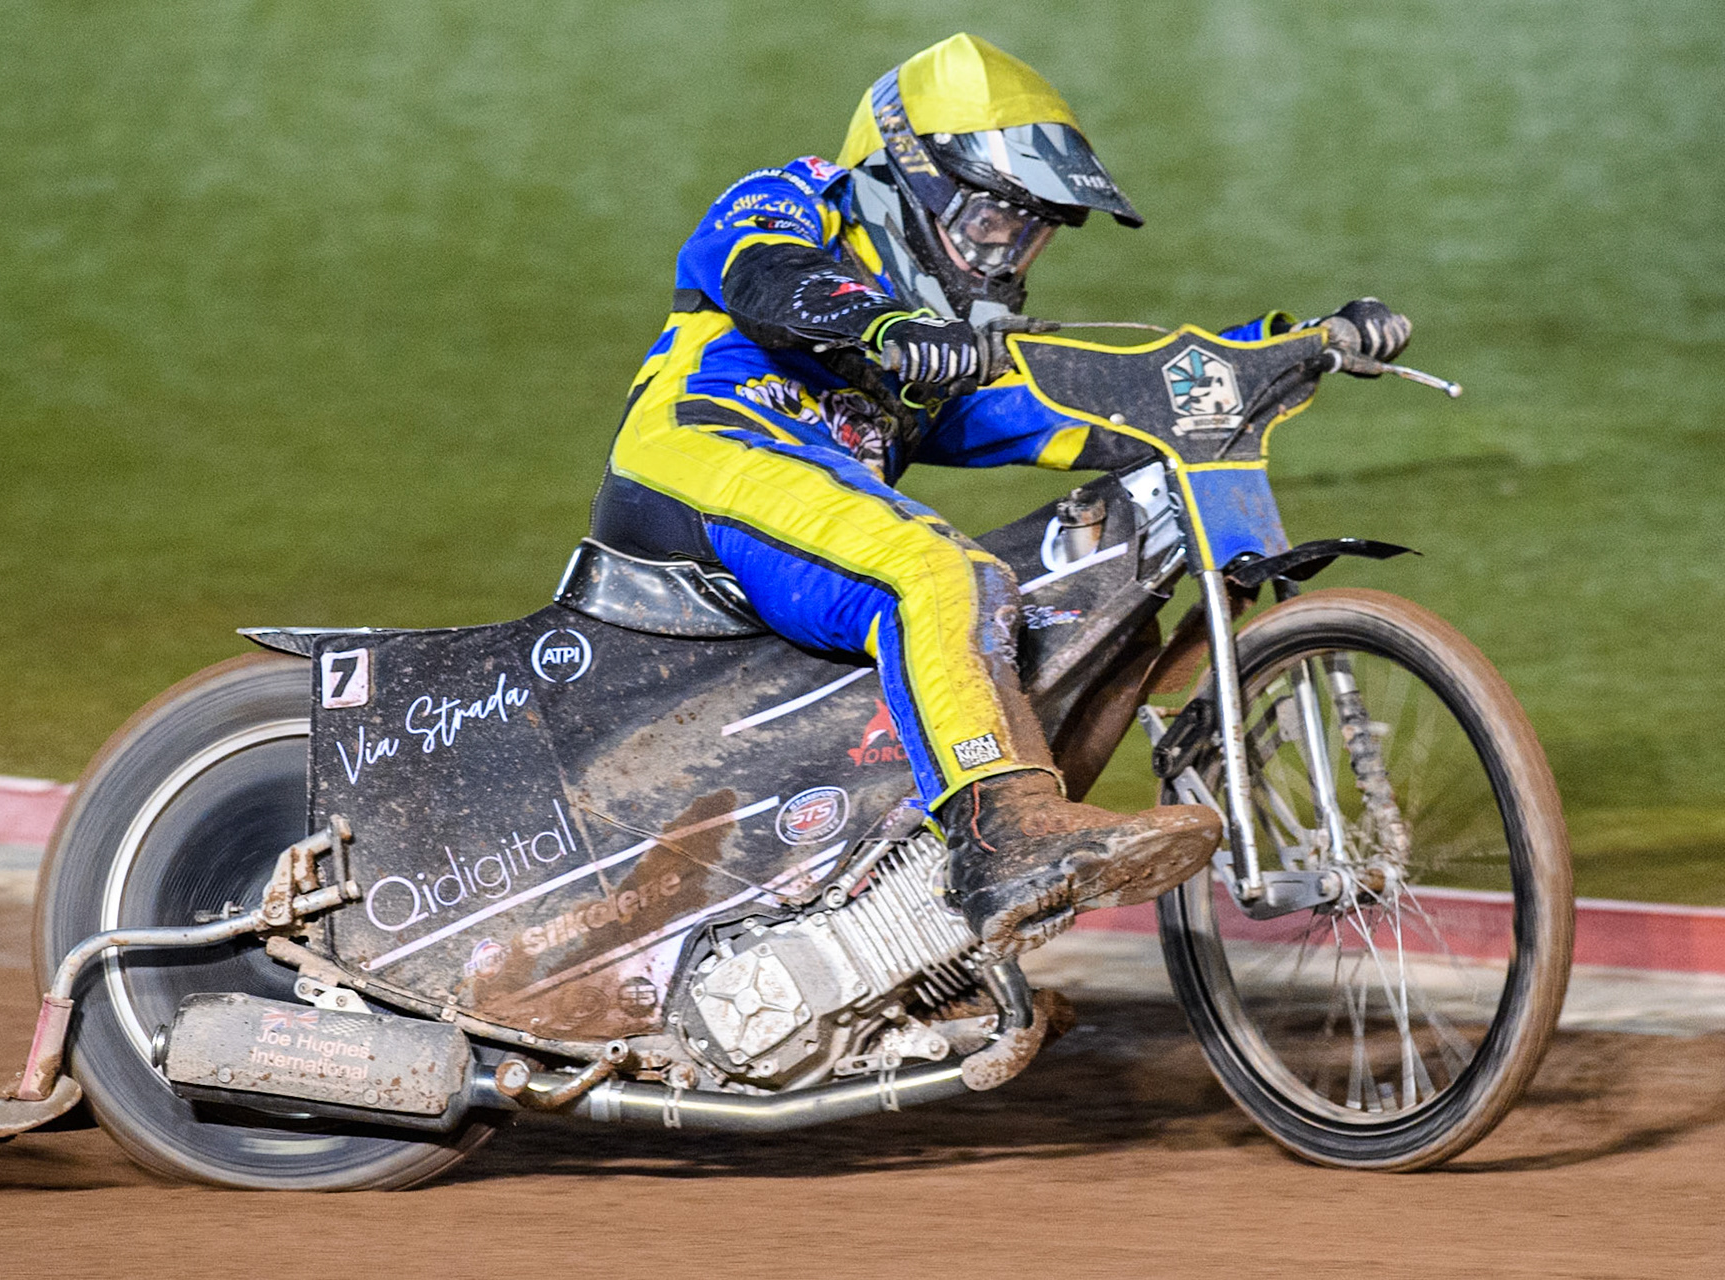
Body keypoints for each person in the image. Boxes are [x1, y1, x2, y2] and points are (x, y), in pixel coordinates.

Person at [587, 33, 1412, 954]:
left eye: (1032, 231)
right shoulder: (798, 195)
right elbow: (762, 275)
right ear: (911, 181)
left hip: (795, 519)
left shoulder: (938, 359)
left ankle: (947, 914)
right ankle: (999, 839)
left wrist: (1284, 349)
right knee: (944, 573)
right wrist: (881, 320)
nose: (1008, 256)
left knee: (1070, 600)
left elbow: (1095, 400)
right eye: (991, 222)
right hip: (700, 463)